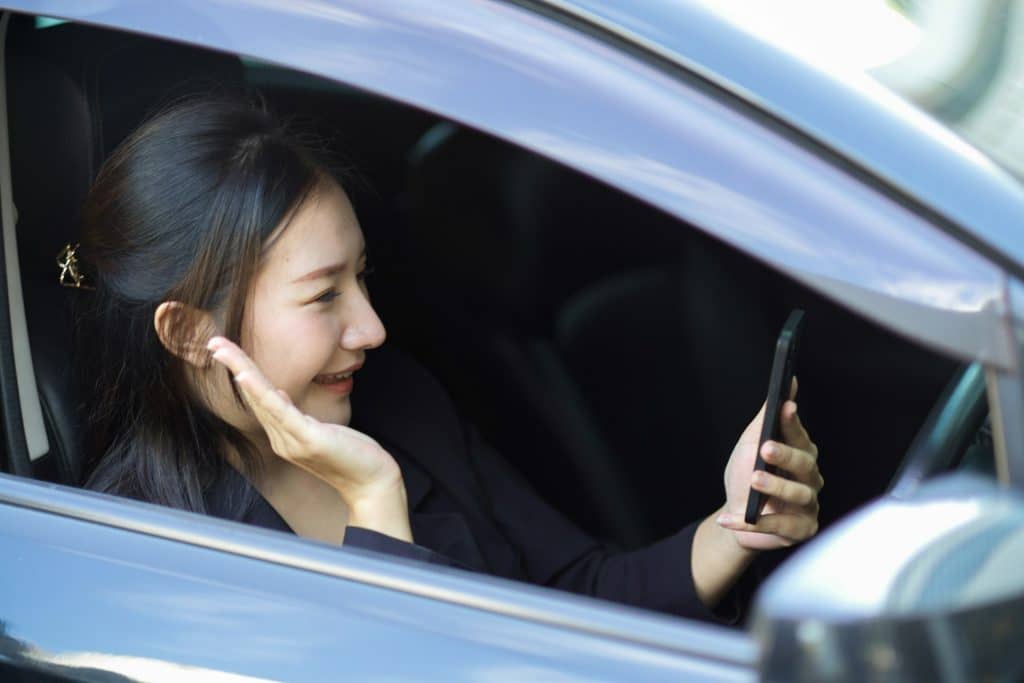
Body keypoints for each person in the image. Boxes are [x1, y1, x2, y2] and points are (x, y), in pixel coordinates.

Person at [75, 97, 823, 623]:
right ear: (185, 331)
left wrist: (734, 526)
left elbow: (576, 594)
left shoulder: (400, 402)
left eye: (360, 277)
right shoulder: (145, 552)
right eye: (321, 295)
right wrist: (374, 507)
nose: (370, 327)